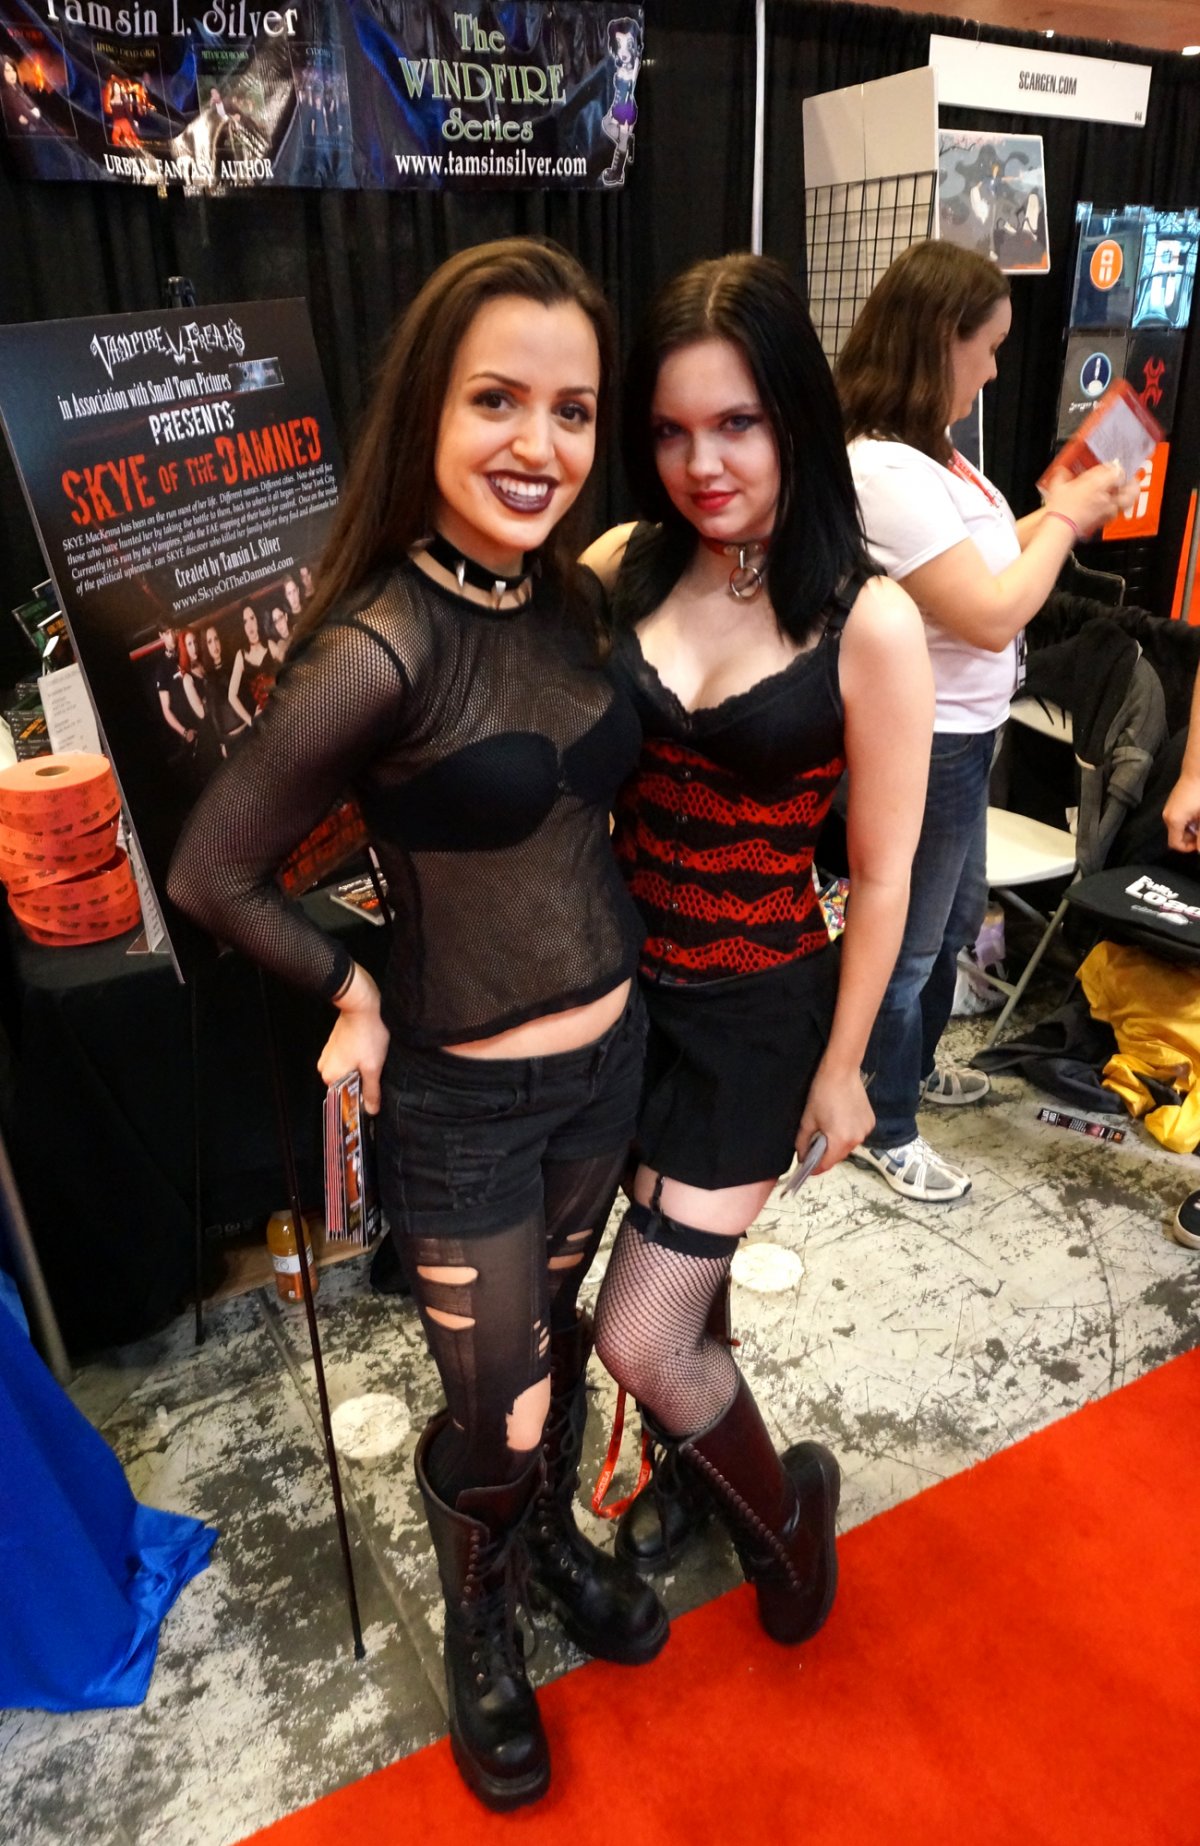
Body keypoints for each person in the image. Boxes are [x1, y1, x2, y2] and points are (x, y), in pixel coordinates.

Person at [168, 238, 667, 1813]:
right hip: (469, 1112)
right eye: (497, 400)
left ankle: (549, 1545)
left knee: (556, 1345)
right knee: (495, 1405)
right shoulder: (380, 645)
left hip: (610, 1070)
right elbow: (211, 869)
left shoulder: (569, 602)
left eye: (573, 410)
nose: (540, 443)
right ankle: (482, 1614)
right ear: (429, 411)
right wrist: (350, 984)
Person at [581, 255, 934, 1616]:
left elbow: (885, 874)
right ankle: (697, 1465)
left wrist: (846, 1067)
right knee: (688, 1281)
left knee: (638, 1327)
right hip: (617, 1000)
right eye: (672, 429)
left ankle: (788, 1521)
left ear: (796, 414)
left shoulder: (870, 621)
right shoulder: (623, 563)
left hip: (756, 1012)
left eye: (736, 423)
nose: (703, 463)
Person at [835, 240, 1134, 1202]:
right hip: (922, 743)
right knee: (909, 941)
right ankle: (884, 1121)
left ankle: (908, 1073)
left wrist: (1061, 511)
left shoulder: (935, 456)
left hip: (964, 734)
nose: (997, 369)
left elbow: (990, 567)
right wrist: (1068, 518)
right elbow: (992, 611)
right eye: (989, 346)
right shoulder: (883, 468)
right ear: (939, 341)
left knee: (952, 921)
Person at [227, 604, 275, 718]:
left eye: (252, 618)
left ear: (257, 619)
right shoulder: (241, 655)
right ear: (242, 627)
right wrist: (251, 721)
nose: (249, 625)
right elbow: (231, 696)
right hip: (264, 717)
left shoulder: (270, 645)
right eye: (245, 622)